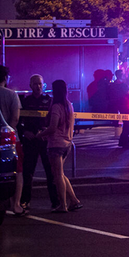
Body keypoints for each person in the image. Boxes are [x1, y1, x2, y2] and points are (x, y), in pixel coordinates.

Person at [37, 79, 82, 213]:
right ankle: (74, 200)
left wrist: (40, 134)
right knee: (60, 174)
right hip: (67, 143)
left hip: (56, 144)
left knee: (57, 175)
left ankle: (63, 205)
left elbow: (53, 127)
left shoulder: (56, 106)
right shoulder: (69, 105)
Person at [18, 74, 60, 211]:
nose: (38, 86)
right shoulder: (25, 101)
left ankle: (55, 202)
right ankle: (25, 201)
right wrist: (24, 132)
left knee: (51, 172)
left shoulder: (49, 101)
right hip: (30, 141)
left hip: (45, 141)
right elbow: (18, 121)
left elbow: (55, 121)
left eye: (40, 84)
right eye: (35, 84)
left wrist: (46, 132)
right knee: (27, 172)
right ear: (30, 85)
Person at [0, 65, 26, 216]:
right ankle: (16, 204)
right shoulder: (11, 95)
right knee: (17, 171)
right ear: (5, 78)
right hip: (10, 139)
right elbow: (15, 118)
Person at [111, 69, 129, 148]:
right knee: (127, 124)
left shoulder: (113, 85)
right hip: (125, 105)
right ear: (121, 75)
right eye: (123, 74)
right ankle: (124, 141)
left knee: (126, 124)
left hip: (117, 106)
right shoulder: (123, 85)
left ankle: (122, 141)